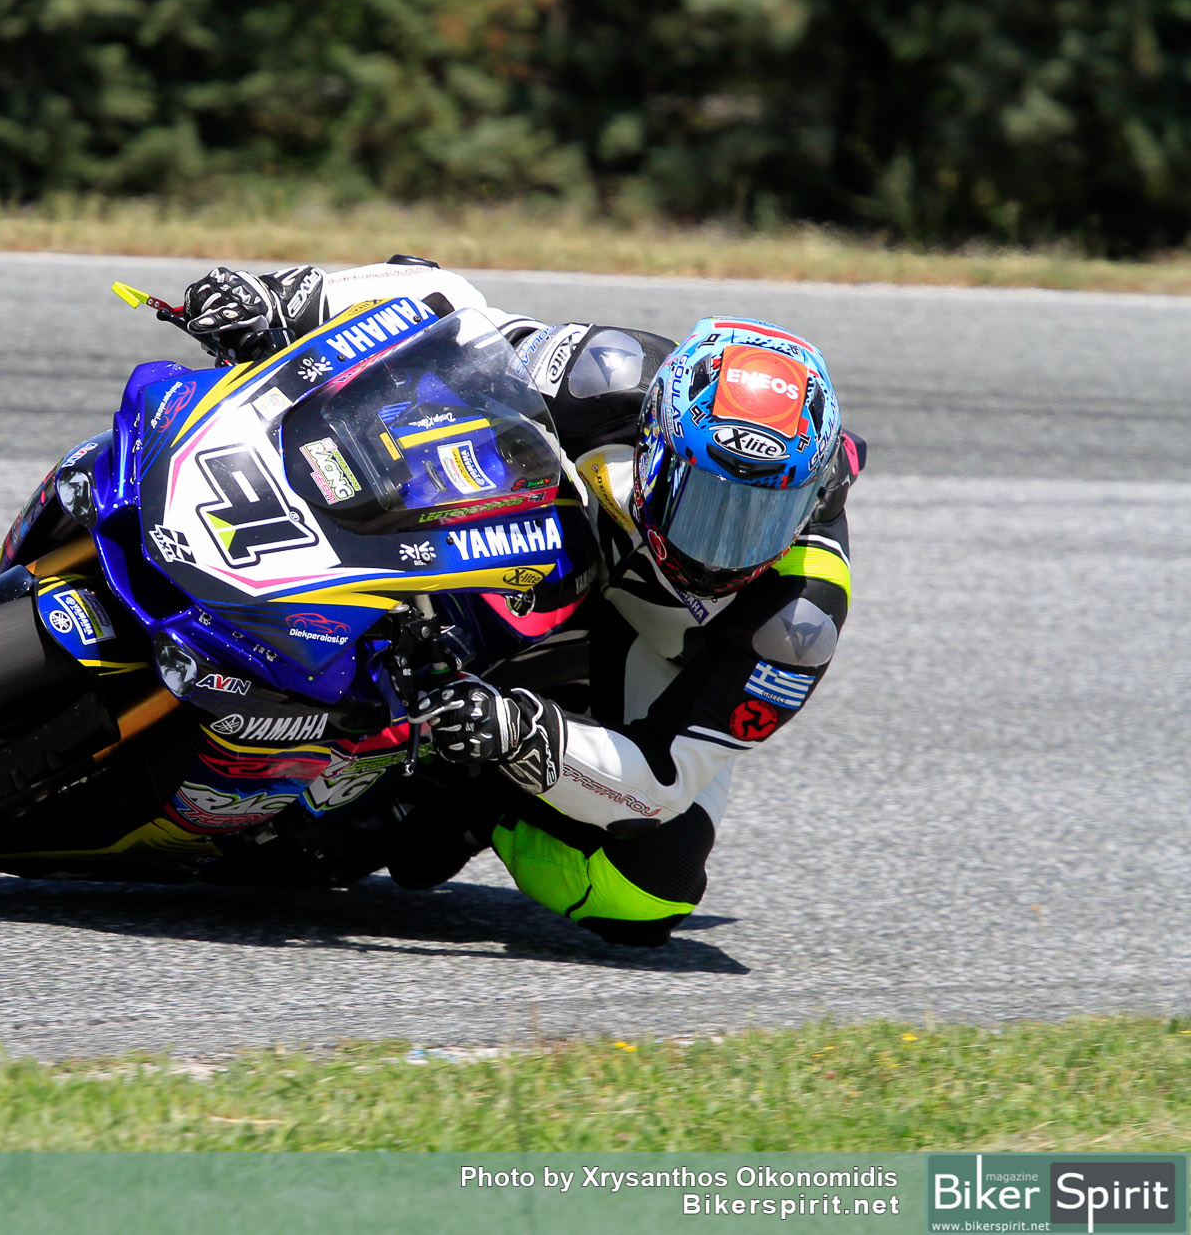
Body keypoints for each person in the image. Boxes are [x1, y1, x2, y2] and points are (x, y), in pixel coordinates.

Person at [167, 258, 862, 947]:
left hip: (652, 651)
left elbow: (662, 779)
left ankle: (474, 794)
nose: (721, 548)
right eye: (706, 499)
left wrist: (519, 735)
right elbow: (450, 309)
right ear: (659, 438)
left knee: (649, 892)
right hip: (531, 542)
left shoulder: (797, 620)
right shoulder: (607, 375)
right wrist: (292, 297)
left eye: (761, 517)